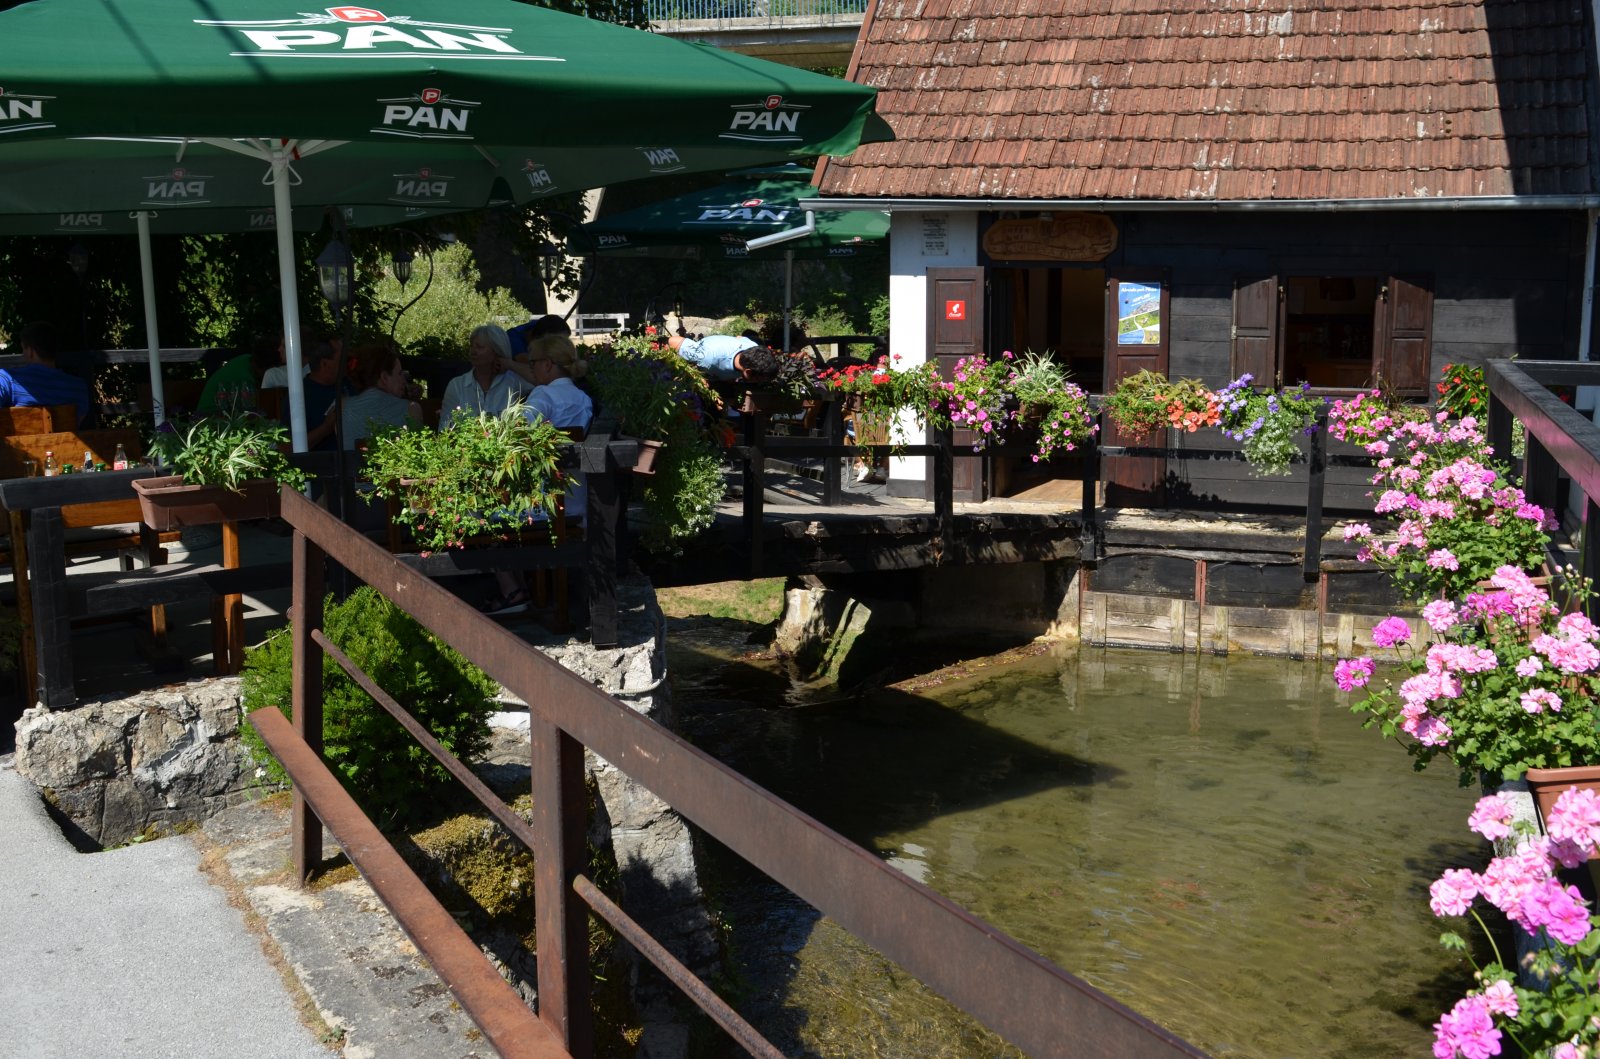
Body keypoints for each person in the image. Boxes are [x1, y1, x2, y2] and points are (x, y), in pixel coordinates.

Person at [482, 334, 594, 616]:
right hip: (576, 499)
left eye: (532, 363)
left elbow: (514, 436)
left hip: (546, 503)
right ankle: (525, 590)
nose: (531, 370)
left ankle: (512, 591)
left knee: (481, 515)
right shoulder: (583, 399)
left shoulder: (543, 395)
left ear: (547, 364)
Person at [437, 325, 533, 430]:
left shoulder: (513, 381)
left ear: (497, 351)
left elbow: (541, 381)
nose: (473, 351)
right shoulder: (457, 385)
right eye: (471, 346)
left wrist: (510, 364)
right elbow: (445, 428)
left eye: (479, 347)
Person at [0, 321, 90, 424]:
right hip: (64, 435)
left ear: (30, 351)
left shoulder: (7, 379)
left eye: (23, 349)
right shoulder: (78, 387)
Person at [341, 343, 421, 450]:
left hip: (351, 461)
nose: (403, 380)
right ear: (384, 377)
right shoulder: (412, 409)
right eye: (399, 373)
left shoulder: (342, 407)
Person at [667, 333, 779, 385]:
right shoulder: (707, 357)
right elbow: (673, 341)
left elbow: (740, 338)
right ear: (749, 372)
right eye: (758, 380)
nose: (759, 383)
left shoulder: (753, 347)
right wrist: (695, 377)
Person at [506, 314, 571, 358]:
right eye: (559, 342)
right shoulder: (513, 338)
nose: (562, 347)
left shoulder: (540, 324)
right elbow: (528, 365)